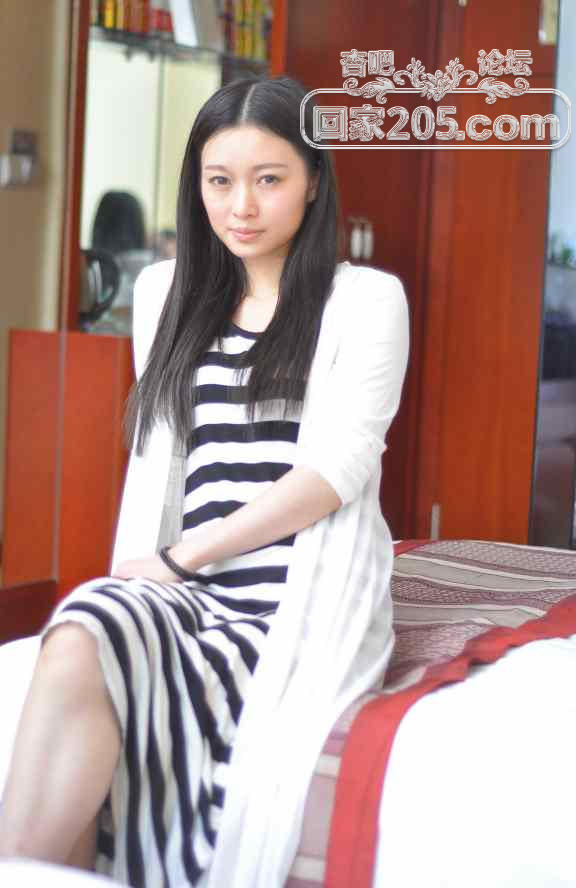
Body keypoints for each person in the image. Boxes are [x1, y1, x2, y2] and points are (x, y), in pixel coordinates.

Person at [0, 74, 410, 887]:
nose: (241, 206)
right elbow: (163, 461)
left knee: (110, 652)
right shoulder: (165, 291)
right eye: (219, 181)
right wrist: (151, 574)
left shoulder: (366, 300)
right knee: (80, 631)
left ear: (313, 181)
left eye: (269, 179)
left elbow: (336, 472)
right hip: (187, 584)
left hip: (291, 593)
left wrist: (182, 557)